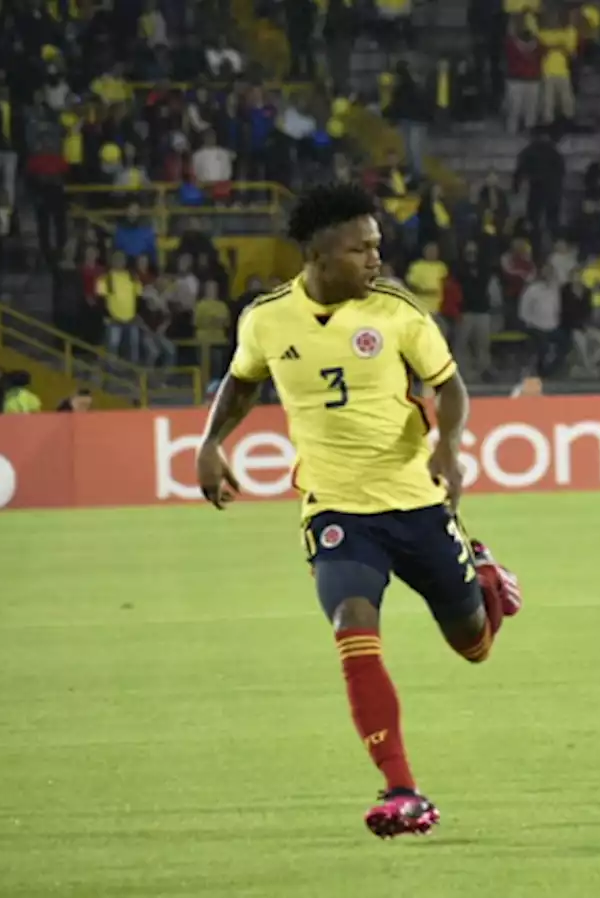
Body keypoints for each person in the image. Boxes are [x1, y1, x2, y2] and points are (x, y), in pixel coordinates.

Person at [195, 183, 522, 840]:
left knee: (474, 646)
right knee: (352, 625)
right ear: (319, 251)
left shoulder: (397, 311)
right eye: (362, 248)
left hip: (419, 505)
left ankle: (483, 576)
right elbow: (241, 381)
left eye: (378, 246)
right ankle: (403, 789)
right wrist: (210, 442)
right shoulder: (265, 318)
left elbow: (450, 386)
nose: (377, 259)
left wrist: (449, 446)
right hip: (337, 511)